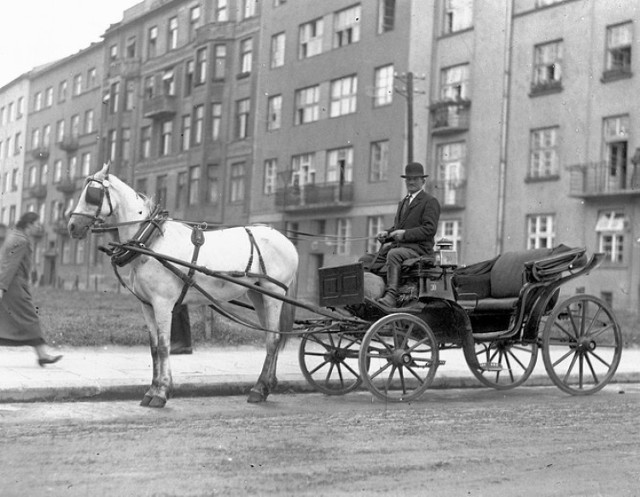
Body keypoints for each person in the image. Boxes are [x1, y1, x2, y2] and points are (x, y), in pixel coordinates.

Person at [0, 212, 62, 366]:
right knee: (30, 318)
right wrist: (2, 286)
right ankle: (42, 355)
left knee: (11, 319)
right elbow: (10, 265)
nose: (38, 227)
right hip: (14, 286)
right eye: (36, 224)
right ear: (28, 224)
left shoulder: (13, 235)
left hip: (11, 284)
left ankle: (42, 355)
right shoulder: (20, 240)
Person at [375, 162, 441, 307]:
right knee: (368, 259)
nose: (411, 182)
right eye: (408, 179)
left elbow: (429, 229)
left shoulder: (430, 202)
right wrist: (387, 233)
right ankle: (371, 294)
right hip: (402, 247)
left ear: (423, 181)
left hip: (420, 250)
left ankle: (392, 295)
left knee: (393, 254)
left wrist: (404, 234)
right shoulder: (403, 202)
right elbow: (398, 227)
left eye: (415, 179)